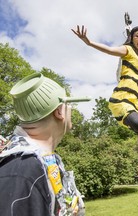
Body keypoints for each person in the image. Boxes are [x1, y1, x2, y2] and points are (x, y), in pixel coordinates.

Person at [0, 73, 91, 216]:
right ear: (59, 111)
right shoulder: (24, 170)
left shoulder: (36, 162)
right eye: (68, 105)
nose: (70, 110)